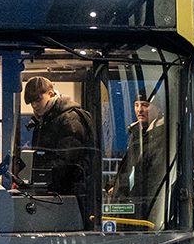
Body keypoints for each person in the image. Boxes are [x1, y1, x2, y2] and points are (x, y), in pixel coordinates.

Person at [23, 75, 97, 209]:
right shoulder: (45, 119)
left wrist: (39, 178)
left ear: (51, 94)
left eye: (38, 100)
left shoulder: (69, 119)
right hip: (58, 190)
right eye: (31, 102)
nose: (34, 106)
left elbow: (66, 161)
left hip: (70, 192)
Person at [109, 94, 167, 210]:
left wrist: (121, 186)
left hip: (145, 199)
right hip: (131, 197)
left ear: (157, 108)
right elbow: (129, 164)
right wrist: (114, 184)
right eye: (136, 105)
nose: (139, 110)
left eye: (145, 105)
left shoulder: (163, 134)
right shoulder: (135, 133)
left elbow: (150, 170)